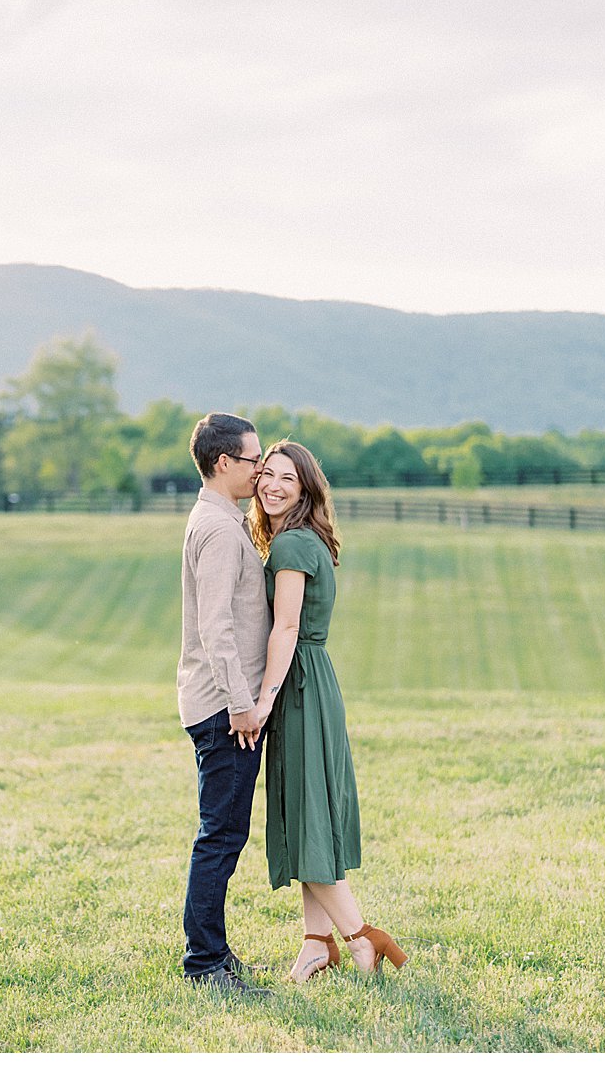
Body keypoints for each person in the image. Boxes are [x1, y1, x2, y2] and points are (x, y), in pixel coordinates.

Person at [246, 440, 407, 982]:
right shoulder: (306, 539)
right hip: (316, 681)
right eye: (266, 474)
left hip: (297, 686)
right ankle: (316, 945)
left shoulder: (291, 545)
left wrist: (265, 698)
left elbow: (286, 627)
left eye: (287, 479)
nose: (272, 485)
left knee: (305, 814)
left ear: (306, 488)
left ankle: (363, 939)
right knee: (309, 813)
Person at [178, 412, 273, 996]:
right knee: (220, 835)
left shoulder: (222, 520)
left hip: (222, 704)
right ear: (223, 464)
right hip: (223, 708)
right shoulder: (216, 529)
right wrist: (241, 704)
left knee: (225, 832)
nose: (260, 468)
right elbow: (216, 629)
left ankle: (214, 951)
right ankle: (204, 963)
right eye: (252, 459)